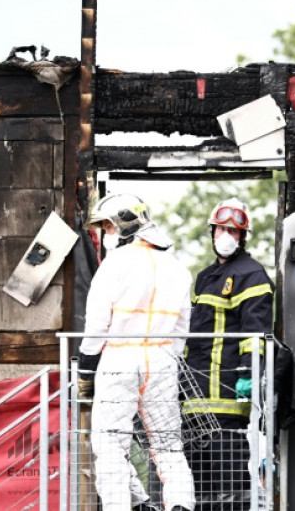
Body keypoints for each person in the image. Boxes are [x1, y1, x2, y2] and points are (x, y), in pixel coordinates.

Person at [78, 193, 195, 511]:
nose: (106, 233)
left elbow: (97, 324)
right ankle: (178, 506)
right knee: (168, 446)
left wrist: (86, 366)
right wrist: (169, 360)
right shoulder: (179, 269)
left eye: (106, 226)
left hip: (119, 358)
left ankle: (123, 506)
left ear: (120, 224)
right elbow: (181, 329)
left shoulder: (115, 264)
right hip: (161, 360)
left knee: (111, 444)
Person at [183, 198, 274, 510]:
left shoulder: (253, 275)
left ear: (243, 237)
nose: (226, 236)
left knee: (229, 487)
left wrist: (249, 376)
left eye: (233, 232)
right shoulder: (204, 277)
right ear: (212, 231)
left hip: (226, 404)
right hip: (193, 402)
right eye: (221, 228)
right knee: (195, 490)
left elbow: (256, 334)